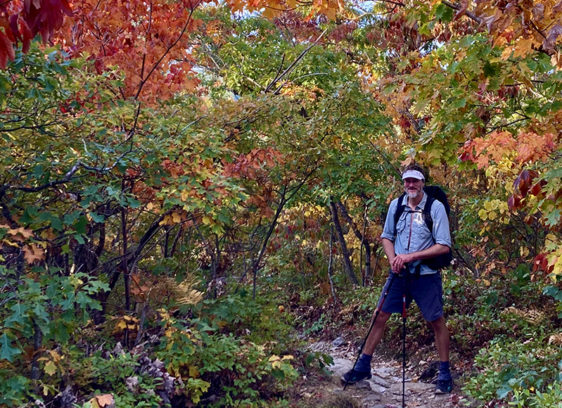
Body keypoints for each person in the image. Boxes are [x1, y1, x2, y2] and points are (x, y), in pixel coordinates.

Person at [341, 164, 454, 394]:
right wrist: (394, 259)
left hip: (426, 276)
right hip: (398, 274)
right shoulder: (396, 205)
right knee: (379, 314)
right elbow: (386, 237)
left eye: (415, 181)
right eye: (407, 181)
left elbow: (444, 245)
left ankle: (444, 371)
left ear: (422, 182)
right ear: (403, 183)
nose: (410, 185)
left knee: (436, 320)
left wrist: (411, 257)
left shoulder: (435, 207)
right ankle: (363, 365)